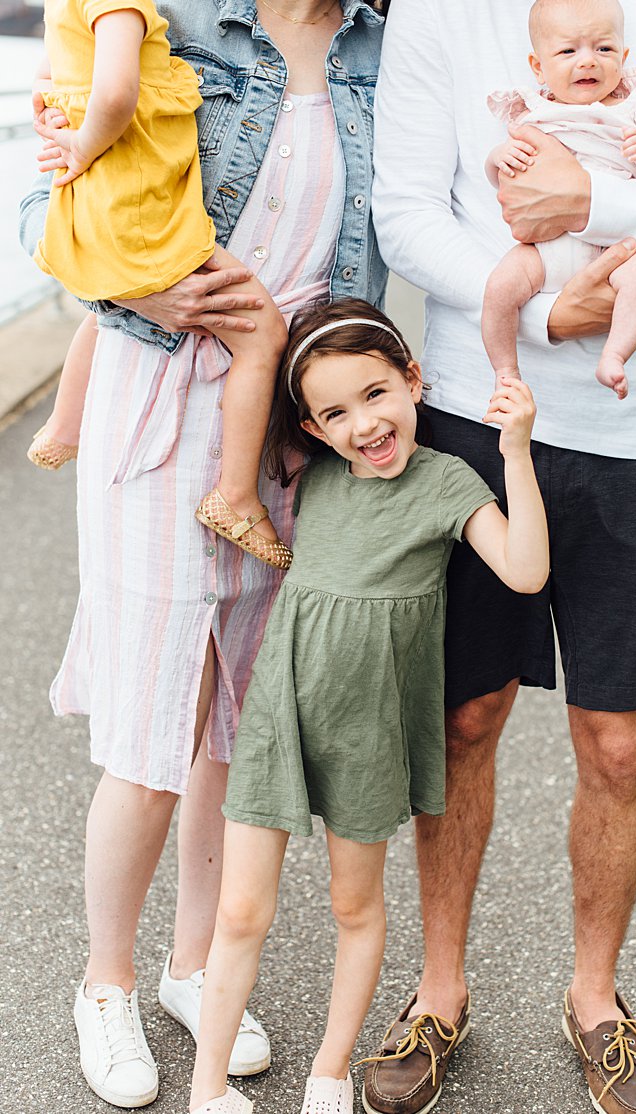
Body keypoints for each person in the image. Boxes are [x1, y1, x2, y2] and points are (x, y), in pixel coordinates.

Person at [370, 0, 636, 1111]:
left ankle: (596, 999)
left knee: (617, 741)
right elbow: (405, 216)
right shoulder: (440, 16)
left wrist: (601, 203)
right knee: (464, 714)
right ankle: (440, 991)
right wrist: (545, 319)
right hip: (481, 417)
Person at [19, 0, 385, 1105]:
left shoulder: (378, 41)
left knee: (240, 718)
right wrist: (143, 286)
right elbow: (46, 198)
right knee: (152, 730)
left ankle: (192, 964)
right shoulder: (173, 23)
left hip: (283, 423)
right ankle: (106, 982)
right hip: (158, 400)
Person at [187, 301, 548, 1114]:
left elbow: (525, 571)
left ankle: (329, 1071)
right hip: (283, 716)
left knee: (354, 906)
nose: (365, 424)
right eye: (336, 413)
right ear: (311, 430)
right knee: (242, 909)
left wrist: (516, 452)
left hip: (369, 730)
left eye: (378, 394)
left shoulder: (446, 483)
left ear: (413, 380)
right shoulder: (310, 478)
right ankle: (207, 1092)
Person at [27, 0, 291, 568]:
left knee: (105, 308)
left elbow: (48, 75)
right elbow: (119, 94)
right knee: (262, 334)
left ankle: (64, 426)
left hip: (103, 193)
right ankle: (237, 496)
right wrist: (84, 141)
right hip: (137, 192)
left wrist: (55, 114)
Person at [482, 0, 636, 399]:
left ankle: (615, 355)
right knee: (500, 288)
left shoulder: (632, 109)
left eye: (603, 49)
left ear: (622, 57)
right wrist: (497, 159)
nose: (587, 61)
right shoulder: (534, 110)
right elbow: (503, 178)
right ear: (539, 66)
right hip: (544, 248)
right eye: (568, 51)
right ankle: (505, 370)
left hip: (613, 246)